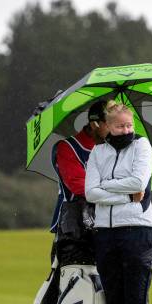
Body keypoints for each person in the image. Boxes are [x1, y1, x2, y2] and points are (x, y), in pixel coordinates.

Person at [85, 100, 152, 304]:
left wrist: (107, 188)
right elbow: (90, 192)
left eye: (129, 124)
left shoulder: (142, 145)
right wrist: (124, 195)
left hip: (138, 229)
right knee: (114, 299)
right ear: (107, 127)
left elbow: (140, 182)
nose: (126, 129)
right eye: (119, 125)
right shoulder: (97, 152)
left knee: (135, 300)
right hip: (105, 232)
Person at [49, 100, 110, 267]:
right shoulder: (68, 147)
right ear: (95, 124)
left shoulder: (113, 149)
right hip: (74, 226)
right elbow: (78, 184)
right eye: (110, 123)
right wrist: (118, 192)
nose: (114, 128)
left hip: (107, 223)